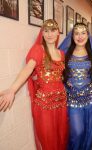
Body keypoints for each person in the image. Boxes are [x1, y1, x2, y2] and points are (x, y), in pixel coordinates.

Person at [0, 19, 68, 150]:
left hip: (61, 103)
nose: (49, 34)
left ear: (58, 32)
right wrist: (12, 90)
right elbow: (28, 69)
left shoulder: (62, 54)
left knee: (61, 137)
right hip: (44, 105)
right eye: (46, 31)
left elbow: (60, 76)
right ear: (42, 33)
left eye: (53, 30)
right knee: (48, 140)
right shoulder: (38, 50)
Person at [59, 22, 92, 150]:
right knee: (77, 132)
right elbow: (57, 71)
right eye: (77, 33)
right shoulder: (65, 53)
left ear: (88, 35)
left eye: (83, 33)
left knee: (89, 132)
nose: (80, 36)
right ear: (72, 36)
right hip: (73, 101)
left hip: (91, 100)